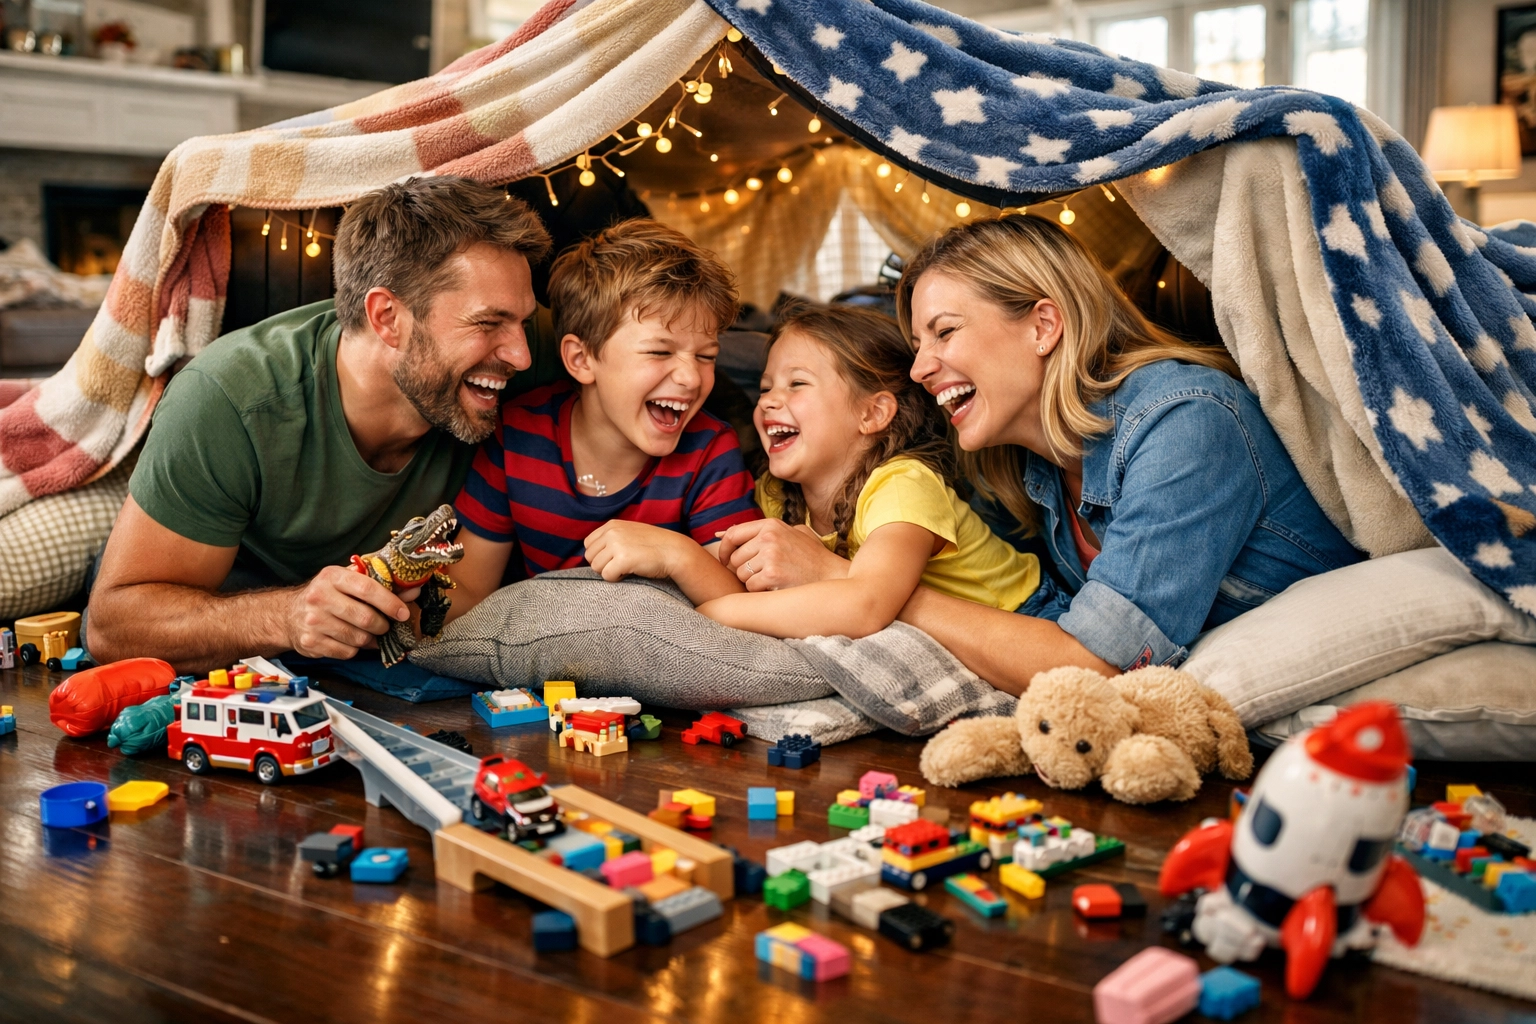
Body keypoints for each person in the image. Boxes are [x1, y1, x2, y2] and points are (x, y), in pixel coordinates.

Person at [714, 215, 1363, 692]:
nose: (919, 369)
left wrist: (863, 589)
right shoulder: (1022, 459)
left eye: (943, 332)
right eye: (916, 344)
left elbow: (1094, 664)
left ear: (1044, 325)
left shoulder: (1185, 422)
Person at [87, 176, 556, 671]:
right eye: (486, 324)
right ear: (388, 317)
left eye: (522, 323)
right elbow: (112, 626)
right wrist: (288, 616)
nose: (521, 355)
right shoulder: (229, 397)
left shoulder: (529, 354)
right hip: (233, 645)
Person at [589, 303, 1041, 639]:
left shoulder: (903, 484)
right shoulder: (776, 493)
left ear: (872, 414)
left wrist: (709, 620)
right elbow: (745, 590)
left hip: (1023, 622)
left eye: (796, 383)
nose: (767, 400)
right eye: (766, 387)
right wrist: (678, 555)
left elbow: (865, 605)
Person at [445, 219, 760, 617]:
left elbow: (748, 609)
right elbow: (469, 588)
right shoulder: (519, 436)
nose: (691, 377)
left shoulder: (709, 452)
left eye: (706, 356)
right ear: (581, 359)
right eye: (660, 352)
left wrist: (678, 555)